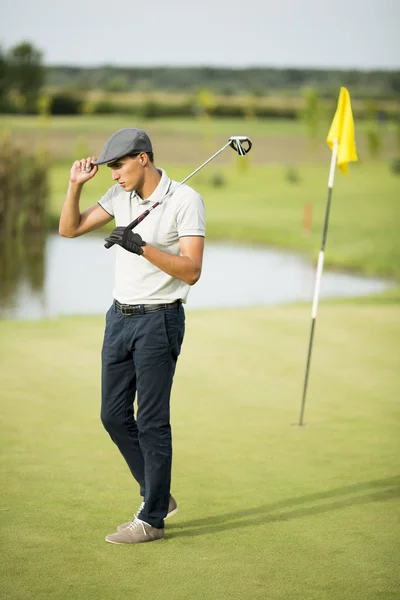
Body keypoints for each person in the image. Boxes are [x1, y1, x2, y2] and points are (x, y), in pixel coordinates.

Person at [59, 128, 205, 544]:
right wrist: (74, 186)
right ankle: (158, 495)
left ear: (142, 158)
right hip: (119, 317)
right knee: (112, 414)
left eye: (118, 165)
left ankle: (152, 519)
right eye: (108, 167)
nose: (113, 175)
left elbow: (192, 269)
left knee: (152, 421)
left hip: (159, 321)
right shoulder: (120, 196)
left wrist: (141, 247)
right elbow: (69, 229)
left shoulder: (185, 200)